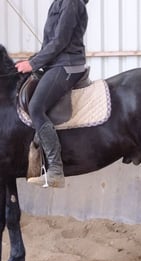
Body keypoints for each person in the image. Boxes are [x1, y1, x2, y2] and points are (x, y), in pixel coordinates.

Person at [15, 0, 89, 188]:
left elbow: (60, 41)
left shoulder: (71, 3)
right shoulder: (59, 2)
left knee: (36, 107)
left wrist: (33, 64)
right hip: (56, 63)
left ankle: (55, 169)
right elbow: (49, 43)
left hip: (68, 64)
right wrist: (32, 60)